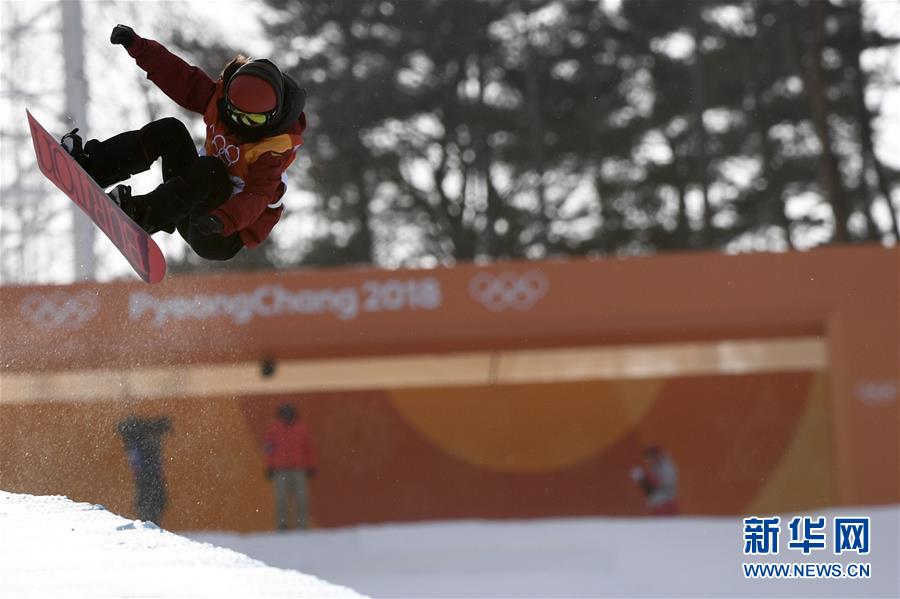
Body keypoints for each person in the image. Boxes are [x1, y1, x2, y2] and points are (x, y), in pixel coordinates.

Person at [61, 24, 308, 261]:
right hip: (188, 201)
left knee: (211, 168)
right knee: (171, 130)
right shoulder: (218, 102)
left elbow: (257, 197)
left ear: (270, 119)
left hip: (219, 234)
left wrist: (223, 219)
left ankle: (141, 214)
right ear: (228, 100)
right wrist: (137, 46)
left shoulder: (272, 153)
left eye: (251, 119)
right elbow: (180, 78)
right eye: (234, 113)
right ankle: (95, 167)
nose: (239, 123)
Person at [263, 404, 317, 530]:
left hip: (299, 469)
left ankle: (302, 525)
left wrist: (311, 465)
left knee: (302, 499)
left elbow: (309, 449)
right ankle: (282, 525)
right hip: (280, 470)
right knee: (281, 499)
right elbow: (269, 450)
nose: (287, 417)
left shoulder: (302, 430)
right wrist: (269, 466)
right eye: (285, 414)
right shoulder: (274, 431)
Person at [117, 416, 172, 526]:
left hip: (149, 484)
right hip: (149, 484)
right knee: (150, 516)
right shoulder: (140, 443)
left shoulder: (137, 443)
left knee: (149, 515)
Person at [630, 445, 679, 516]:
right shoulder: (655, 467)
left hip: (666, 504)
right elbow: (650, 490)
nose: (649, 461)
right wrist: (642, 480)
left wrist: (645, 477)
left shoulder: (666, 467)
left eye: (650, 458)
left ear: (656, 455)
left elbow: (665, 484)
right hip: (657, 504)